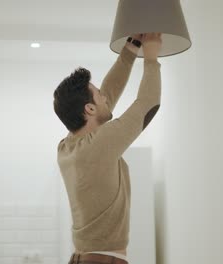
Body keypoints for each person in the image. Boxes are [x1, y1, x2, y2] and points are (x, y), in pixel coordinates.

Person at [53, 33, 162, 264]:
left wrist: (131, 48)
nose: (105, 97)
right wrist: (151, 55)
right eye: (99, 95)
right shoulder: (98, 145)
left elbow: (108, 94)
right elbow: (149, 102)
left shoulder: (67, 147)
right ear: (89, 110)